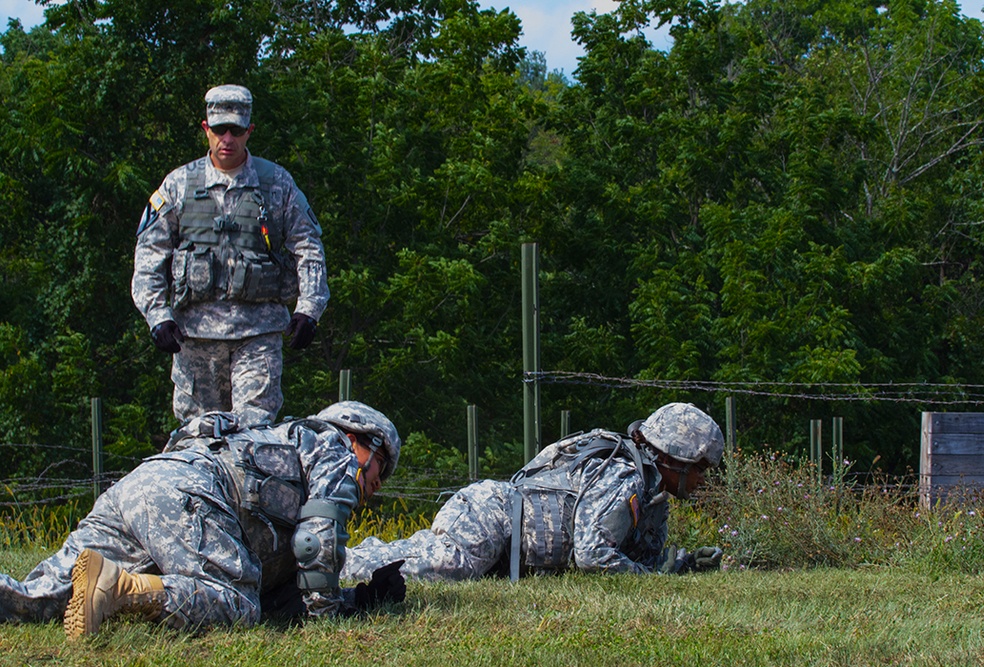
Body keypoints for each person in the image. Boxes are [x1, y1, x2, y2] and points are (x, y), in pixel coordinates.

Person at [0, 401, 405, 640]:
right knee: (238, 605)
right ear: (360, 440)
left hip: (144, 484)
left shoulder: (278, 438)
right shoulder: (333, 447)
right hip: (194, 495)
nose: (376, 486)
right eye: (380, 469)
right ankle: (123, 589)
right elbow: (315, 543)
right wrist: (327, 619)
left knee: (42, 596)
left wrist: (360, 599)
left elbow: (280, 596)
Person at [340, 402, 724, 583]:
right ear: (675, 458)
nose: (702, 481)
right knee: (435, 569)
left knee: (421, 555)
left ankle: (344, 557)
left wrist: (683, 563)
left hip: (502, 531)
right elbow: (593, 555)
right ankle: (341, 564)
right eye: (700, 469)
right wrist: (655, 579)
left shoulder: (652, 495)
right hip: (495, 518)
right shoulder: (623, 477)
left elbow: (639, 557)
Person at [131, 84, 329, 425]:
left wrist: (310, 308)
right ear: (206, 129)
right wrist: (157, 315)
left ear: (248, 131)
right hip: (194, 338)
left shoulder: (276, 184)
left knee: (252, 436)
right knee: (198, 437)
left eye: (236, 130)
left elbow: (308, 245)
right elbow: (150, 253)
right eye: (219, 129)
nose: (227, 138)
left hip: (257, 334)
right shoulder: (178, 185)